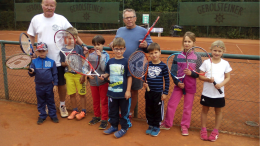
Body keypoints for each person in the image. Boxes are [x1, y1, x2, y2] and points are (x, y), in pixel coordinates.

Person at [27, 0, 88, 118]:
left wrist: (83, 44)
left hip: (59, 59)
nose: (49, 7)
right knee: (44, 83)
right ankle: (46, 106)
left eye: (51, 5)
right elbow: (31, 34)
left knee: (61, 84)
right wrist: (31, 47)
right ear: (42, 6)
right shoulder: (36, 19)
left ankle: (62, 105)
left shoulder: (61, 19)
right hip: (42, 59)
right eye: (46, 5)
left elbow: (73, 33)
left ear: (55, 6)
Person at [109, 8, 153, 123]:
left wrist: (146, 45)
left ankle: (130, 113)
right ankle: (120, 112)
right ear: (123, 19)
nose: (129, 19)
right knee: (120, 89)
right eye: (126, 17)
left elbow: (151, 47)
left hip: (136, 66)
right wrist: (111, 44)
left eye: (131, 17)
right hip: (120, 65)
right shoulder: (120, 30)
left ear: (135, 18)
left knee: (133, 91)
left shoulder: (143, 31)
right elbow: (115, 43)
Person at [160, 31, 199, 136]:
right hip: (179, 86)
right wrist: (177, 82)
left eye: (189, 41)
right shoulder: (178, 56)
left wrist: (192, 73)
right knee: (171, 104)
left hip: (190, 86)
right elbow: (173, 72)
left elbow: (200, 73)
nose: (187, 43)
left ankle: (185, 126)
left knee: (187, 107)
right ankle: (167, 124)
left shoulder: (197, 58)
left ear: (193, 43)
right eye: (185, 41)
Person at [199, 40, 232, 142]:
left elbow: (228, 77)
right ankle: (203, 129)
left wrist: (221, 84)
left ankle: (215, 131)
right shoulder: (206, 62)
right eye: (215, 50)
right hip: (207, 92)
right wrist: (208, 79)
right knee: (205, 110)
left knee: (218, 111)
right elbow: (200, 76)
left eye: (219, 51)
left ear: (223, 52)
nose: (217, 53)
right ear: (211, 50)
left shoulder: (225, 63)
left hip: (218, 94)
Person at [99, 37, 132, 138]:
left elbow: (129, 77)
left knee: (124, 112)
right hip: (112, 92)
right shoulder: (110, 61)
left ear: (124, 49)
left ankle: (124, 128)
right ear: (113, 49)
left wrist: (128, 91)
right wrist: (104, 76)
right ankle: (114, 126)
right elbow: (108, 73)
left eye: (121, 48)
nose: (119, 51)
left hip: (123, 93)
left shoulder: (127, 62)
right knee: (113, 111)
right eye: (117, 49)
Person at [60, 27, 87, 120]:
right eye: (69, 38)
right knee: (72, 94)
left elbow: (83, 62)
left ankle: (83, 111)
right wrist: (65, 63)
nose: (71, 40)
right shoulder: (63, 50)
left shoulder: (79, 49)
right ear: (66, 39)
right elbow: (62, 63)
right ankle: (75, 110)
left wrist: (83, 75)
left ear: (76, 39)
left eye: (73, 38)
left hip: (79, 74)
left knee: (82, 94)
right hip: (68, 75)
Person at [28, 42, 59, 125]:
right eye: (40, 51)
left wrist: (55, 84)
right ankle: (42, 115)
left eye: (43, 51)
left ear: (47, 51)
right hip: (39, 86)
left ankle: (53, 115)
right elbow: (31, 74)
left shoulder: (51, 62)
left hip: (49, 85)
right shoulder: (34, 62)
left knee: (50, 101)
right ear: (37, 52)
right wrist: (31, 72)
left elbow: (55, 74)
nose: (42, 53)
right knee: (41, 101)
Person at [143, 42, 169, 137]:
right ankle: (150, 125)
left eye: (156, 52)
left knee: (157, 110)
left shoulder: (163, 66)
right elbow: (144, 77)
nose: (154, 55)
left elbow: (167, 80)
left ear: (160, 52)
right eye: (151, 53)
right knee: (149, 108)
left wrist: (165, 92)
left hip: (158, 92)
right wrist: (144, 83)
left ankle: (156, 126)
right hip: (149, 92)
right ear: (149, 54)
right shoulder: (147, 65)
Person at [88, 35, 110, 129]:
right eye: (95, 45)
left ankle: (104, 119)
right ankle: (97, 116)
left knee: (104, 101)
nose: (97, 47)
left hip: (103, 83)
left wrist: (100, 57)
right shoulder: (90, 55)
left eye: (99, 44)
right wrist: (88, 74)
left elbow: (104, 68)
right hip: (93, 83)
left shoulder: (106, 55)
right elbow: (88, 67)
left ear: (103, 45)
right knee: (95, 101)